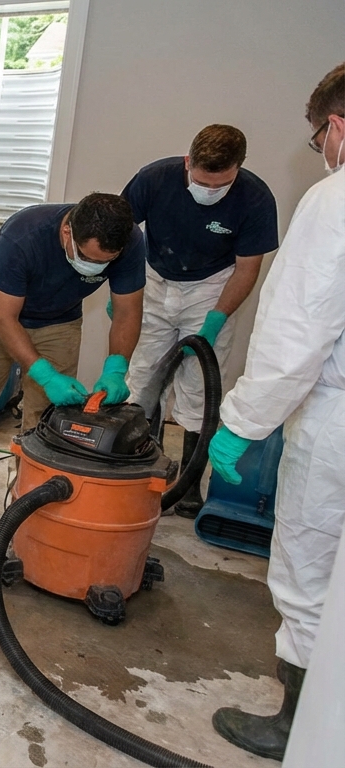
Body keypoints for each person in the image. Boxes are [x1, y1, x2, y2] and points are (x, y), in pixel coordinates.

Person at [207, 63, 345, 761]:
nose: (322, 150)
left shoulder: (334, 200)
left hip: (337, 425)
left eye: (319, 137)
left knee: (309, 570)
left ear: (337, 128)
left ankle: (300, 728)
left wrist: (240, 421)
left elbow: (296, 335)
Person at [0, 193, 147, 505]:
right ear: (68, 232)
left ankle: (30, 484)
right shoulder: (22, 236)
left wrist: (116, 368)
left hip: (60, 319)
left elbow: (127, 312)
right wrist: (45, 374)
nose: (96, 267)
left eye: (105, 262)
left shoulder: (130, 240)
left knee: (47, 411)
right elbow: (5, 318)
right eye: (89, 258)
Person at [121, 125, 279, 518]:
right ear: (188, 161)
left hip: (212, 286)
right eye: (202, 181)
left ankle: (189, 486)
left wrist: (215, 320)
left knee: (198, 388)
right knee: (143, 378)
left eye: (220, 184)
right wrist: (122, 296)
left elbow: (247, 269)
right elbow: (121, 236)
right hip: (155, 277)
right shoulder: (154, 179)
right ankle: (143, 470)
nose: (209, 190)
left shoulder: (255, 198)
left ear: (238, 169)